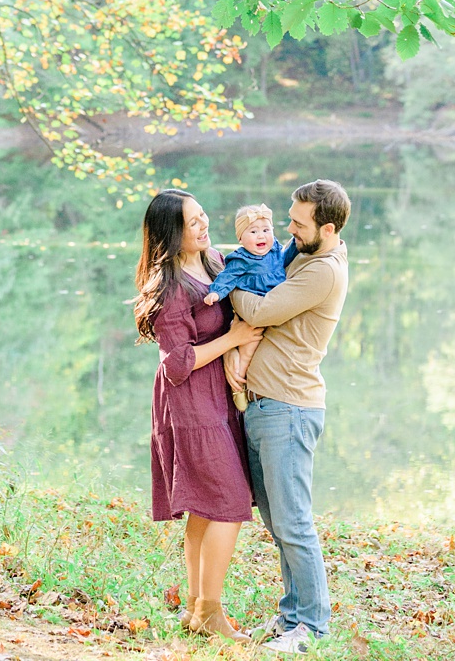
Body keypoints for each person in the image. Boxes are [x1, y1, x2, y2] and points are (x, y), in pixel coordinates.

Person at [226, 178, 352, 654]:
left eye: (298, 224)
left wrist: (231, 281)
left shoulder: (323, 270)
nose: (288, 231)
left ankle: (312, 629)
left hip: (289, 408)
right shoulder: (303, 253)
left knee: (295, 524)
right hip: (263, 405)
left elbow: (260, 311)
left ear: (328, 226)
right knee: (280, 525)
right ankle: (291, 619)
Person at [131, 188, 261, 639]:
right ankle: (210, 610)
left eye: (204, 215)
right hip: (188, 404)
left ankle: (193, 608)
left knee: (206, 510)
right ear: (172, 233)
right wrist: (232, 340)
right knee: (227, 503)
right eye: (193, 222)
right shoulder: (168, 287)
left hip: (219, 398)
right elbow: (176, 363)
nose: (204, 225)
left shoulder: (216, 262)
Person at [204, 204, 296, 411]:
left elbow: (288, 255)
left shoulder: (275, 251)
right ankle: (238, 385)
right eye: (253, 232)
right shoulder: (241, 259)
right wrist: (216, 292)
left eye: (266, 230)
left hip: (273, 306)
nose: (260, 236)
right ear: (240, 238)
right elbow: (227, 277)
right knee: (249, 348)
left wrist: (299, 242)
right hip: (251, 311)